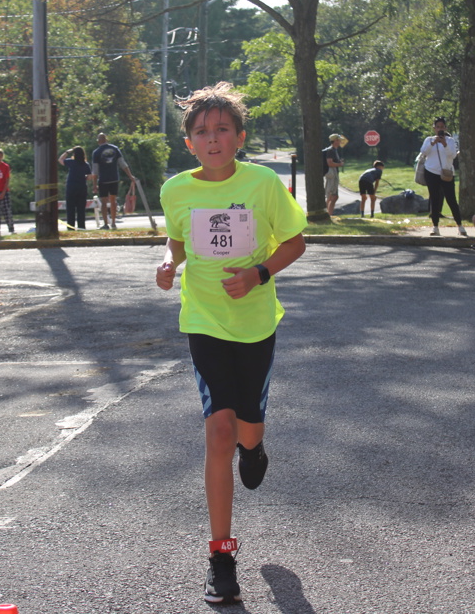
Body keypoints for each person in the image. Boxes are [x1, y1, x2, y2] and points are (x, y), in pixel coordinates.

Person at [156, 82, 306, 606]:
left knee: (247, 425)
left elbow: (295, 241)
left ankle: (255, 445)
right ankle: (221, 556)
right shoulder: (176, 190)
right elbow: (178, 240)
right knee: (219, 430)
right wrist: (168, 263)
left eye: (222, 129)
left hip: (255, 323)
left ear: (240, 137)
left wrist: (258, 273)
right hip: (204, 320)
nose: (213, 138)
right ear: (189, 143)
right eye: (202, 132)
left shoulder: (263, 183)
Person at [420, 116, 466, 237]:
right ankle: (435, 227)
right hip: (431, 172)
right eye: (437, 127)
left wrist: (444, 144)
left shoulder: (450, 141)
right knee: (434, 199)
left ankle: (460, 226)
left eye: (442, 127)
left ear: (445, 128)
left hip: (446, 173)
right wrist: (433, 143)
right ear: (434, 128)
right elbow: (424, 152)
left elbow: (452, 155)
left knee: (451, 199)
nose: (440, 129)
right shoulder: (429, 139)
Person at [91, 132, 136, 230]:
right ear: (106, 140)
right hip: (114, 178)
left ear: (98, 141)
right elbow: (123, 164)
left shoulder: (96, 152)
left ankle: (106, 224)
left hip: (103, 180)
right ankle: (114, 223)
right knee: (113, 201)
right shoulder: (115, 149)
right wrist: (130, 176)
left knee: (103, 202)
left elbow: (95, 170)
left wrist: (94, 184)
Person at [60, 146, 93, 230]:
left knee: (70, 208)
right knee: (81, 209)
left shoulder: (71, 162)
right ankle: (81, 227)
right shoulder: (86, 164)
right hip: (82, 187)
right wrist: (83, 177)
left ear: (74, 154)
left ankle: (70, 227)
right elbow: (89, 177)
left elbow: (60, 160)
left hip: (71, 187)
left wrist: (68, 151)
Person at [322, 133, 345, 216]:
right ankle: (324, 212)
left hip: (334, 173)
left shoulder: (334, 150)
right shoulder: (331, 150)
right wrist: (340, 164)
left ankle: (329, 214)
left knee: (334, 196)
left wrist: (339, 162)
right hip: (332, 174)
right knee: (330, 195)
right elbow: (330, 163)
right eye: (339, 140)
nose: (340, 142)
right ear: (335, 141)